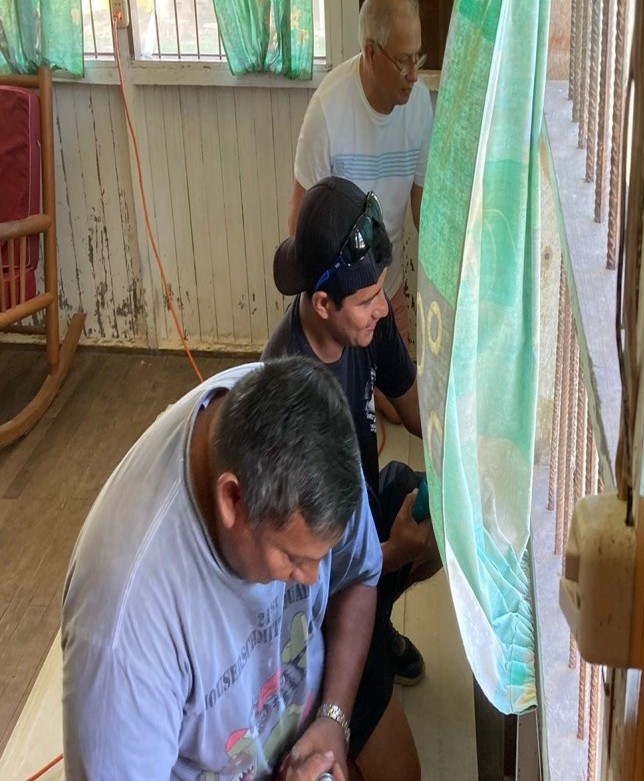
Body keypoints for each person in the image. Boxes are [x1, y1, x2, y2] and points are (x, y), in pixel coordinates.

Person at [61, 357, 395, 781]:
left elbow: (358, 576)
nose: (315, 579)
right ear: (233, 499)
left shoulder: (315, 440)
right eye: (293, 559)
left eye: (321, 556)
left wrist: (334, 717)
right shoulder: (125, 629)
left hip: (305, 714)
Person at [262, 177, 441, 780]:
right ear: (322, 305)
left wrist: (467, 444)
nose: (383, 308)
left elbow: (415, 410)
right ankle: (341, 670)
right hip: (316, 581)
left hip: (359, 523)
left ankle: (376, 624)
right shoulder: (292, 391)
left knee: (437, 514)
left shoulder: (367, 317)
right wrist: (396, 552)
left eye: (380, 291)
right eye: (367, 301)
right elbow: (309, 572)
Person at [289, 0, 434, 352]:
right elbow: (298, 226)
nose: (413, 75)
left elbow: (423, 210)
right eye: (402, 61)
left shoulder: (418, 106)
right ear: (370, 52)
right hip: (341, 306)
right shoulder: (328, 109)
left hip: (387, 288)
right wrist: (332, 312)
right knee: (343, 387)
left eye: (417, 57)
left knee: (402, 383)